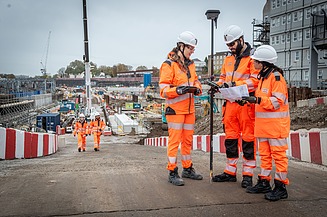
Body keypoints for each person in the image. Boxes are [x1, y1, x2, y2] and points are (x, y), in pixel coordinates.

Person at [211, 25, 259, 188]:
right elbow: (223, 77)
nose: (230, 48)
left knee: (248, 141)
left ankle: (247, 175)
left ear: (241, 40)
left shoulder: (253, 59)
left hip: (246, 105)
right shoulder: (228, 59)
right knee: (230, 140)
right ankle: (230, 172)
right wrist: (217, 85)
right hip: (230, 105)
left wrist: (234, 84)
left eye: (232, 44)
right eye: (228, 45)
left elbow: (255, 81)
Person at [242, 45, 290, 201]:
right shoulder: (263, 77)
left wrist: (257, 100)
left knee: (279, 157)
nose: (253, 63)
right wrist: (249, 101)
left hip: (276, 128)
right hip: (263, 127)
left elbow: (277, 102)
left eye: (255, 61)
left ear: (263, 63)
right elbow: (261, 101)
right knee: (265, 156)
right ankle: (264, 181)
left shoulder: (276, 78)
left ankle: (281, 187)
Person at [159, 31, 203, 186]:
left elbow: (196, 81)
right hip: (176, 110)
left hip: (189, 110)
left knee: (187, 141)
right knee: (174, 141)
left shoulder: (191, 65)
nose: (192, 51)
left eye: (193, 49)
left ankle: (187, 168)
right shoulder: (169, 65)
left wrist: (197, 88)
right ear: (181, 46)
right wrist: (177, 90)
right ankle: (172, 171)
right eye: (190, 48)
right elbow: (163, 90)